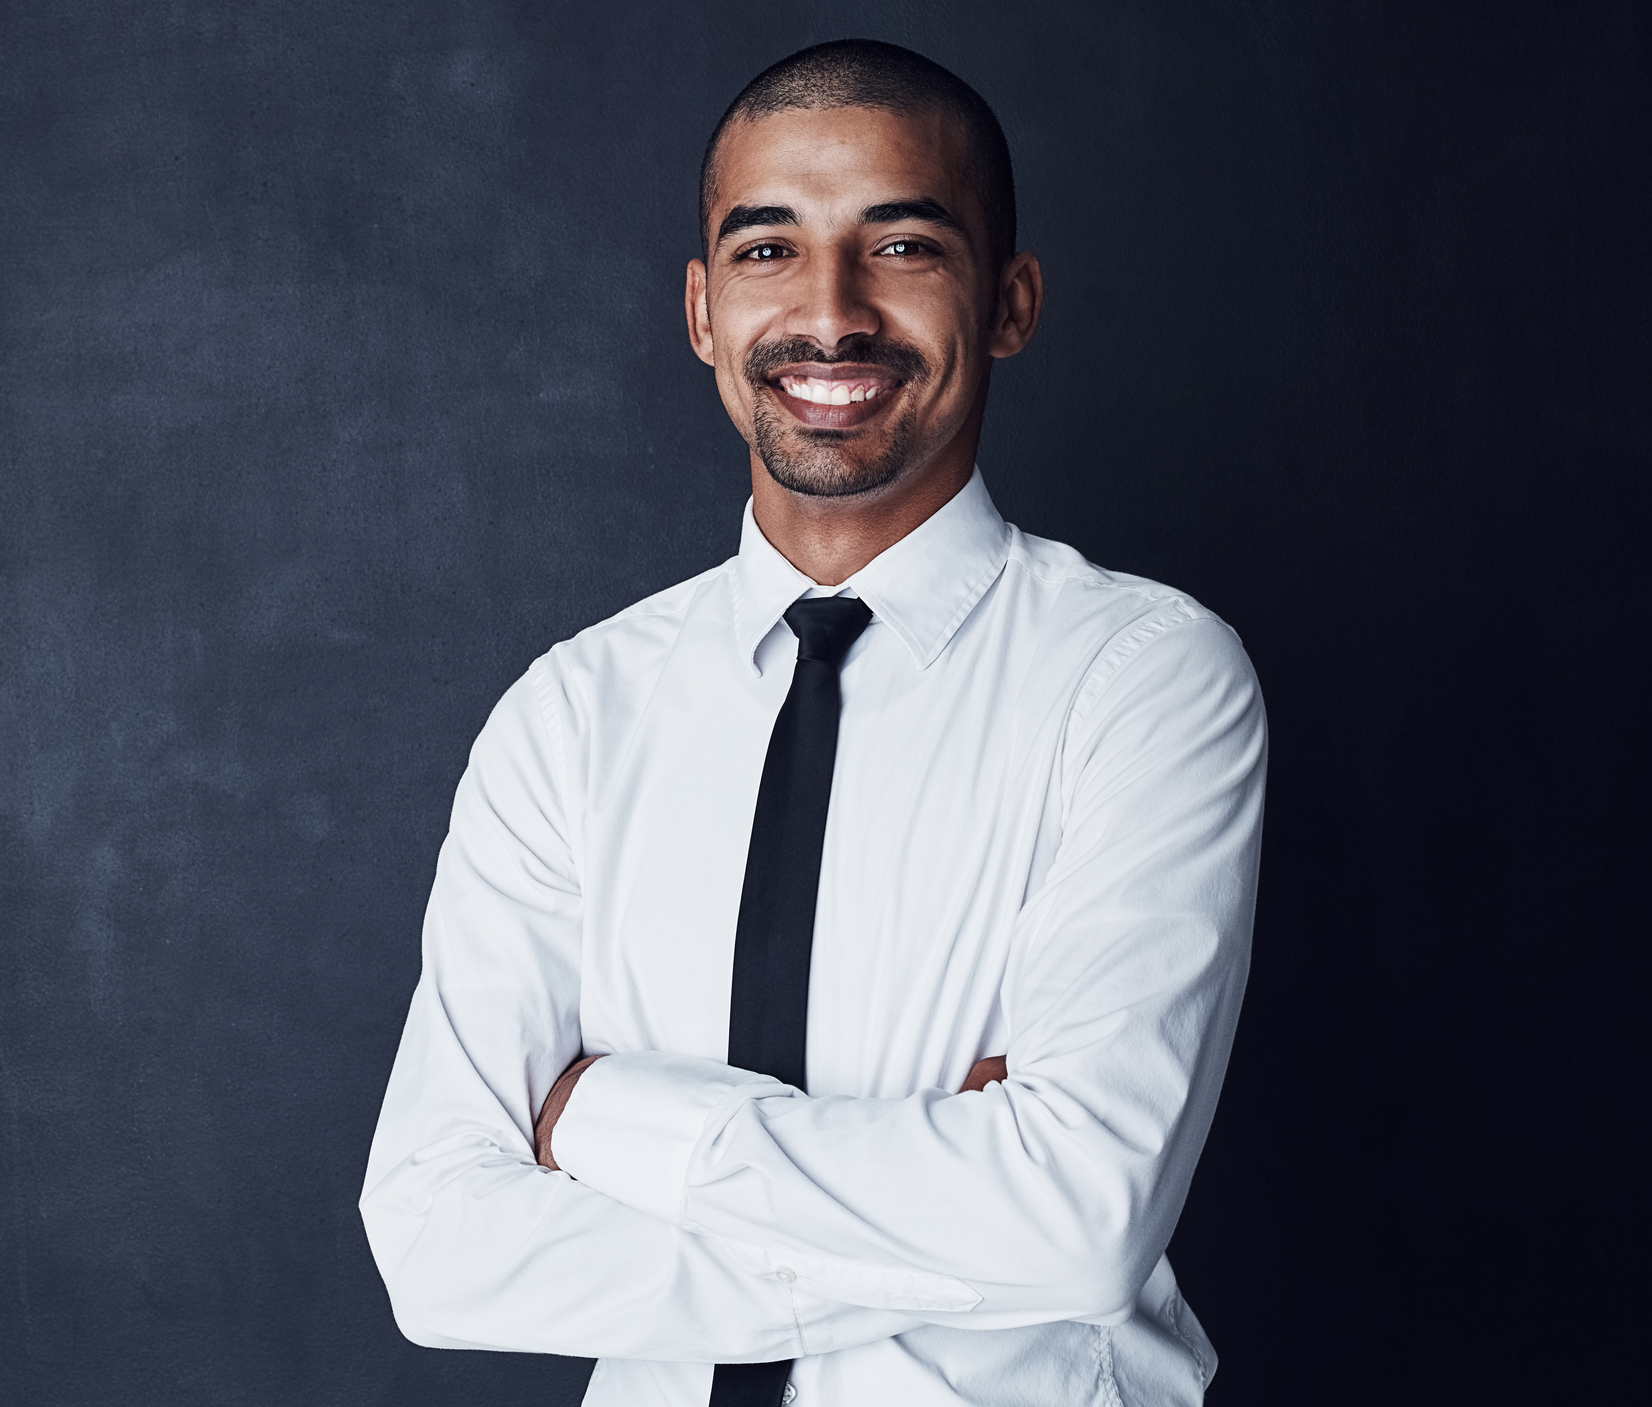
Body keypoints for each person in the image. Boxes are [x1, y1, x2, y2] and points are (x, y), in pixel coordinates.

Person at [361, 37, 1265, 1407]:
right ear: (702, 311)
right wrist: (955, 1206)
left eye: (903, 248)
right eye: (767, 250)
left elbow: (1082, 1222)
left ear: (1010, 301)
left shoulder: (1141, 680)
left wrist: (608, 1120)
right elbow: (437, 1249)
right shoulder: (571, 714)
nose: (831, 315)